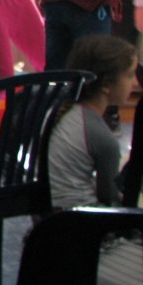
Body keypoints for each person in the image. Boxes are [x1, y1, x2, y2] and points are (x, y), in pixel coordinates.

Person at [48, 34, 137, 209]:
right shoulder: (101, 136)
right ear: (106, 85)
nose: (135, 83)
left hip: (47, 215)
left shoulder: (62, 111)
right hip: (78, 218)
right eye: (130, 75)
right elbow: (109, 197)